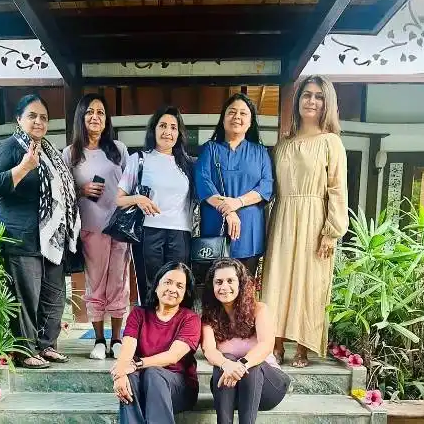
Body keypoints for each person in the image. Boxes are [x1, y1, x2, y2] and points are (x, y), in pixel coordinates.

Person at [261, 75, 348, 368]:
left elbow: (337, 188)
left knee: (310, 281)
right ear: (298, 100)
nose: (311, 101)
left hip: (315, 219)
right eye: (307, 95)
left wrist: (331, 232)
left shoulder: (331, 143)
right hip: (283, 215)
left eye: (319, 96)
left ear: (327, 104)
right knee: (276, 279)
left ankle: (303, 347)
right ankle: (274, 344)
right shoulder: (283, 144)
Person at [0, 94, 79, 368]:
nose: (38, 121)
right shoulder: (9, 147)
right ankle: (25, 350)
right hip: (21, 235)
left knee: (54, 293)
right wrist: (24, 166)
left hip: (51, 237)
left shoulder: (50, 152)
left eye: (43, 117)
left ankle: (46, 345)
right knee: (27, 295)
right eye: (32, 116)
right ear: (19, 119)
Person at [62, 93, 130, 360]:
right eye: (90, 112)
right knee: (96, 283)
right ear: (81, 116)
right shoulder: (71, 153)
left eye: (100, 112)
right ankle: (99, 340)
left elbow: (130, 184)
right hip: (91, 227)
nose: (95, 117)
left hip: (119, 227)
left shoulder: (118, 149)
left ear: (106, 119)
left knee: (119, 282)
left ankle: (117, 338)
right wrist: (82, 189)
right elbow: (62, 192)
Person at [117, 106, 195, 304]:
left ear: (179, 133)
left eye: (173, 127)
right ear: (154, 129)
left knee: (177, 287)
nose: (168, 131)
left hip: (180, 232)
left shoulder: (187, 164)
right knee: (150, 288)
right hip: (147, 232)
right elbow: (118, 199)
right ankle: (150, 324)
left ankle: (175, 325)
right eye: (163, 126)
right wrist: (138, 199)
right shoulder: (139, 159)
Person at [201, 258, 290, 424]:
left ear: (241, 283)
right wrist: (227, 365)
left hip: (267, 388)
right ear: (212, 287)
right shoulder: (208, 318)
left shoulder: (259, 309)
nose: (224, 287)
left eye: (230, 281)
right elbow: (209, 350)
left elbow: (265, 345)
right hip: (229, 390)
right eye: (219, 282)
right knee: (225, 359)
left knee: (252, 364)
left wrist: (241, 365)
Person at [111, 261, 201, 424]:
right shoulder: (139, 314)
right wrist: (120, 374)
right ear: (157, 285)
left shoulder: (190, 319)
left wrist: (137, 364)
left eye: (179, 286)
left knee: (153, 373)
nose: (172, 289)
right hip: (144, 385)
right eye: (168, 282)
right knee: (130, 377)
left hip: (178, 388)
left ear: (185, 292)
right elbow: (127, 348)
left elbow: (173, 356)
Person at [194, 93, 273, 276]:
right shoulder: (210, 149)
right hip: (216, 231)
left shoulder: (261, 152)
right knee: (216, 285)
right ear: (223, 119)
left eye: (243, 113)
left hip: (250, 232)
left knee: (246, 286)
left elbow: (266, 186)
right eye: (231, 112)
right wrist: (228, 211)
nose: (237, 117)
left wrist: (238, 202)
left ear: (250, 122)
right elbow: (203, 182)